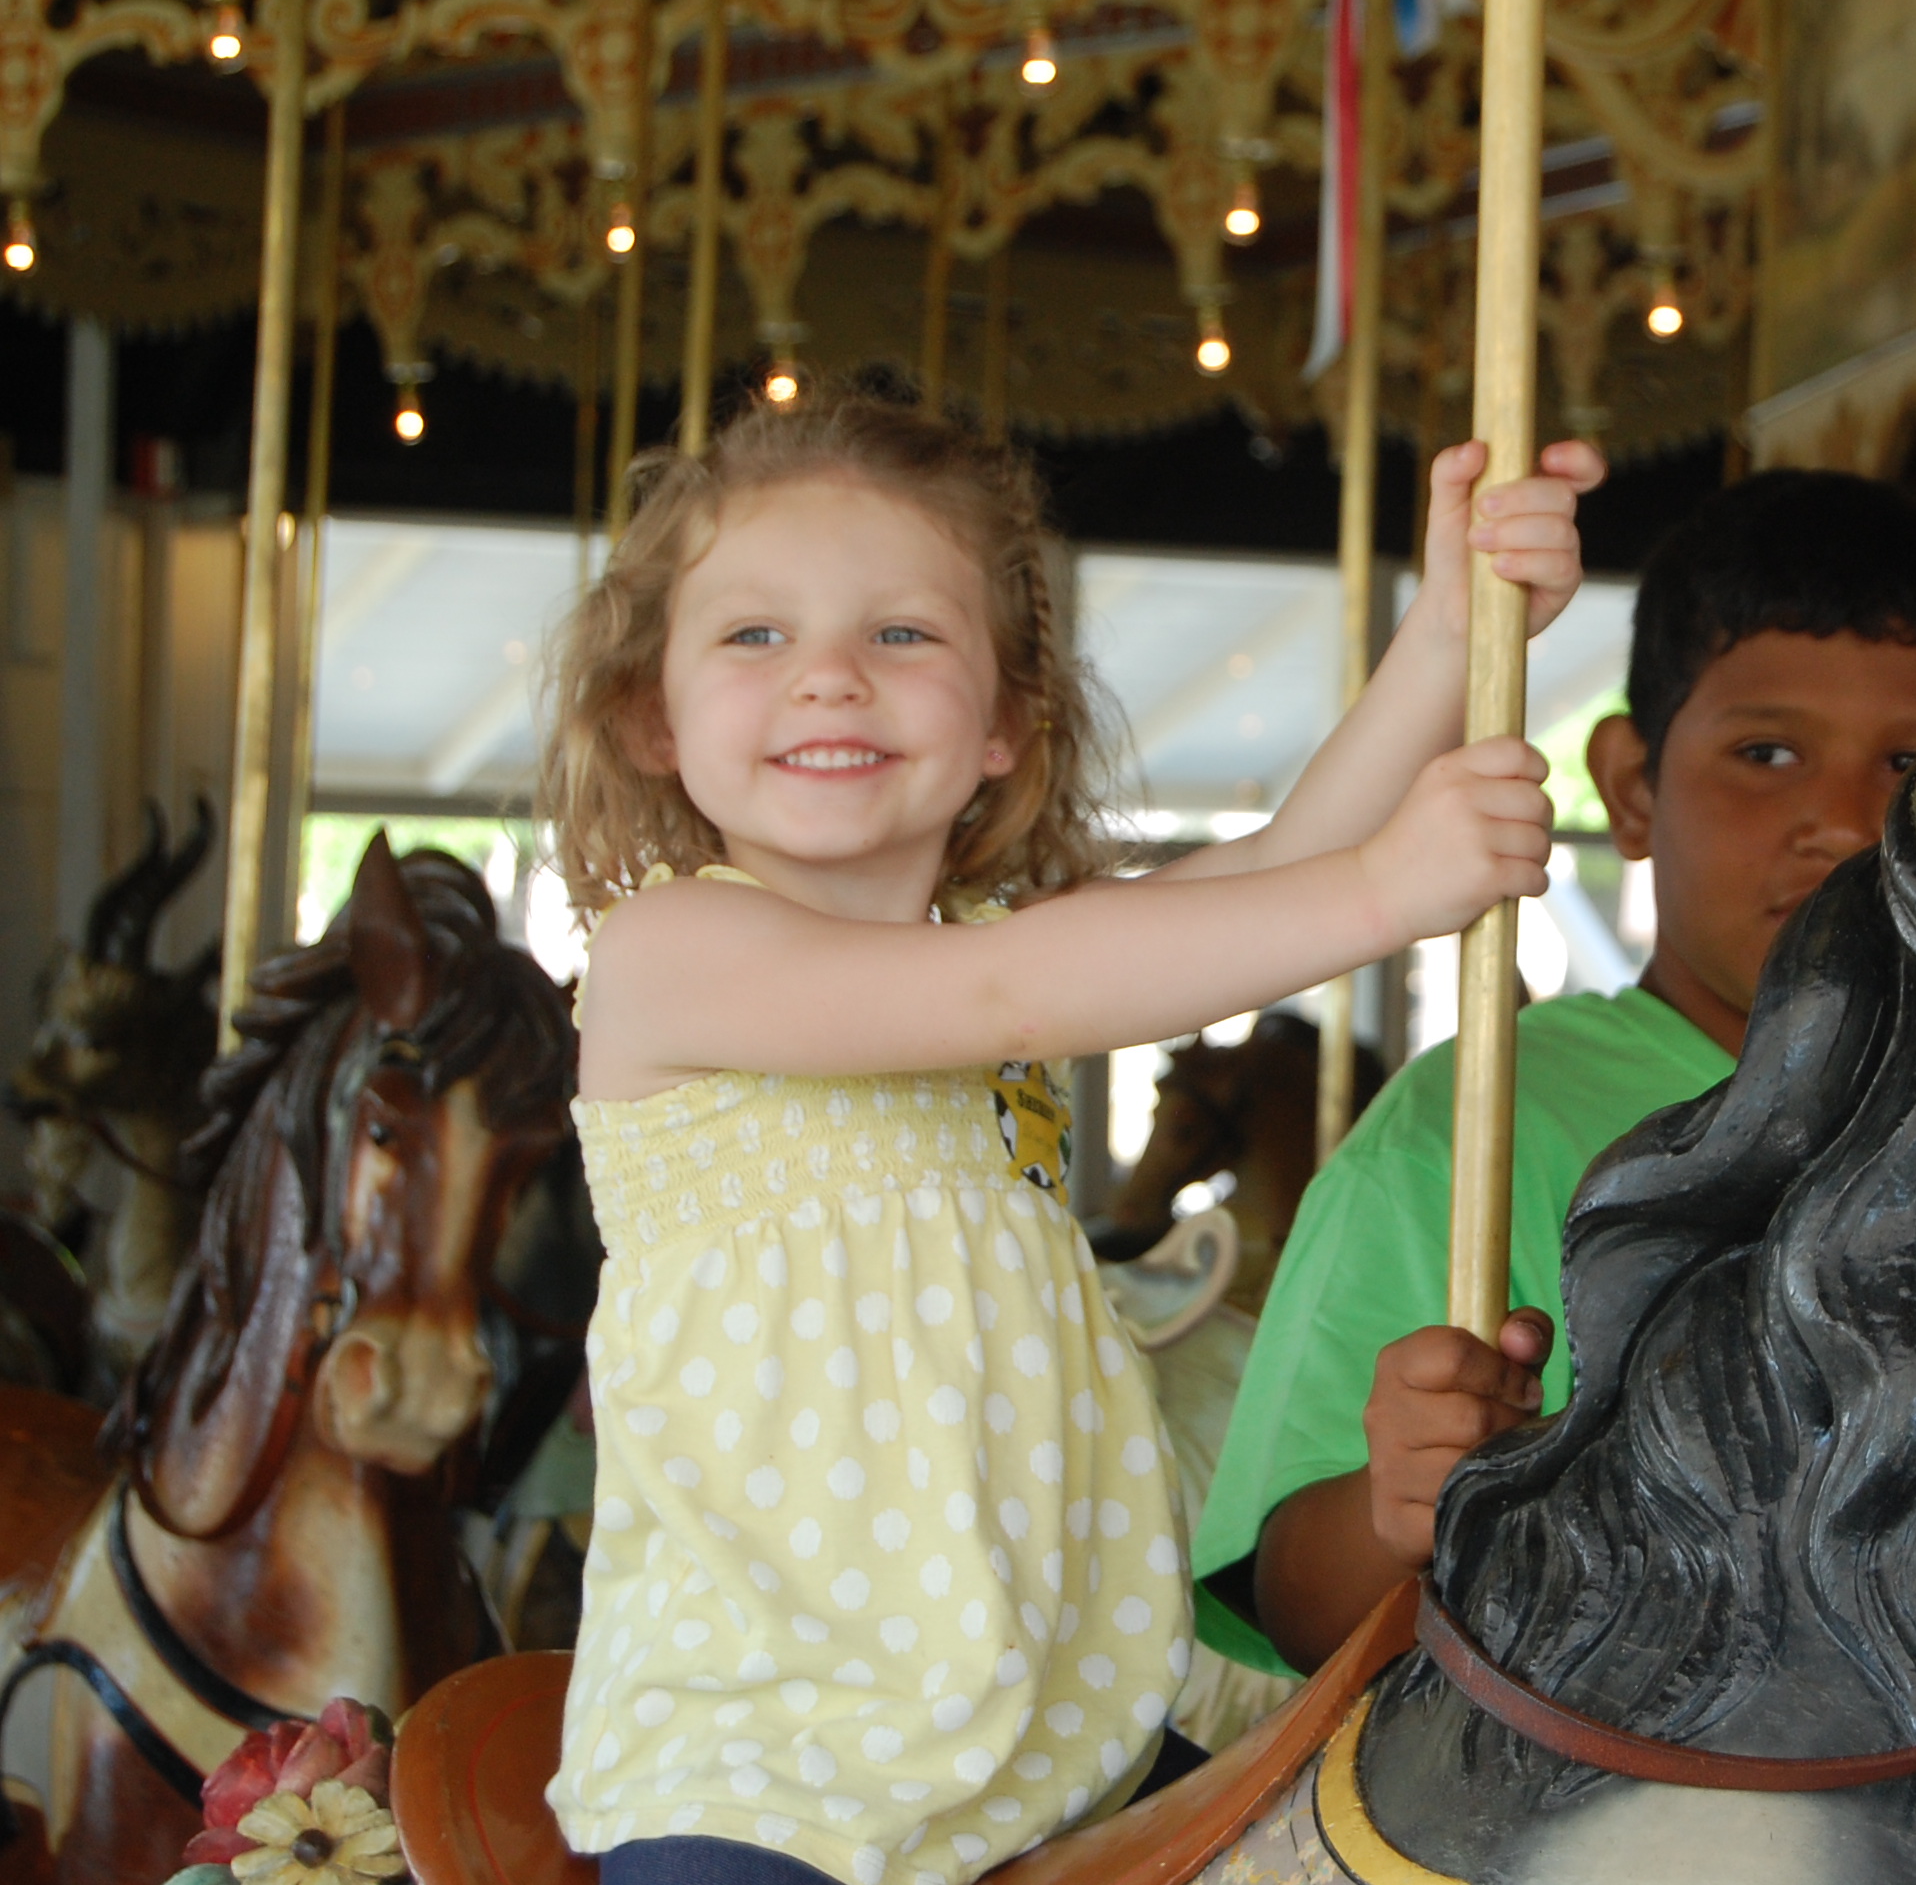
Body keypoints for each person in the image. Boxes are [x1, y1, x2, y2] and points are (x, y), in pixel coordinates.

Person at [531, 382, 1603, 1885]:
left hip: (1062, 1730)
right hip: (769, 1767)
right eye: (754, 635)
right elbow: (1014, 988)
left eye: (901, 634)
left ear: (1003, 725)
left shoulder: (1003, 949)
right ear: (650, 714)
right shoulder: (669, 958)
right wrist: (1384, 894)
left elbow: (1268, 869)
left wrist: (1447, 632)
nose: (830, 678)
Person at [1193, 469, 1916, 1675]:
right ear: (1630, 786)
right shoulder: (1475, 1127)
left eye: (1907, 766)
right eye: (1766, 751)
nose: (1839, 821)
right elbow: (1297, 1606)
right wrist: (1403, 1499)